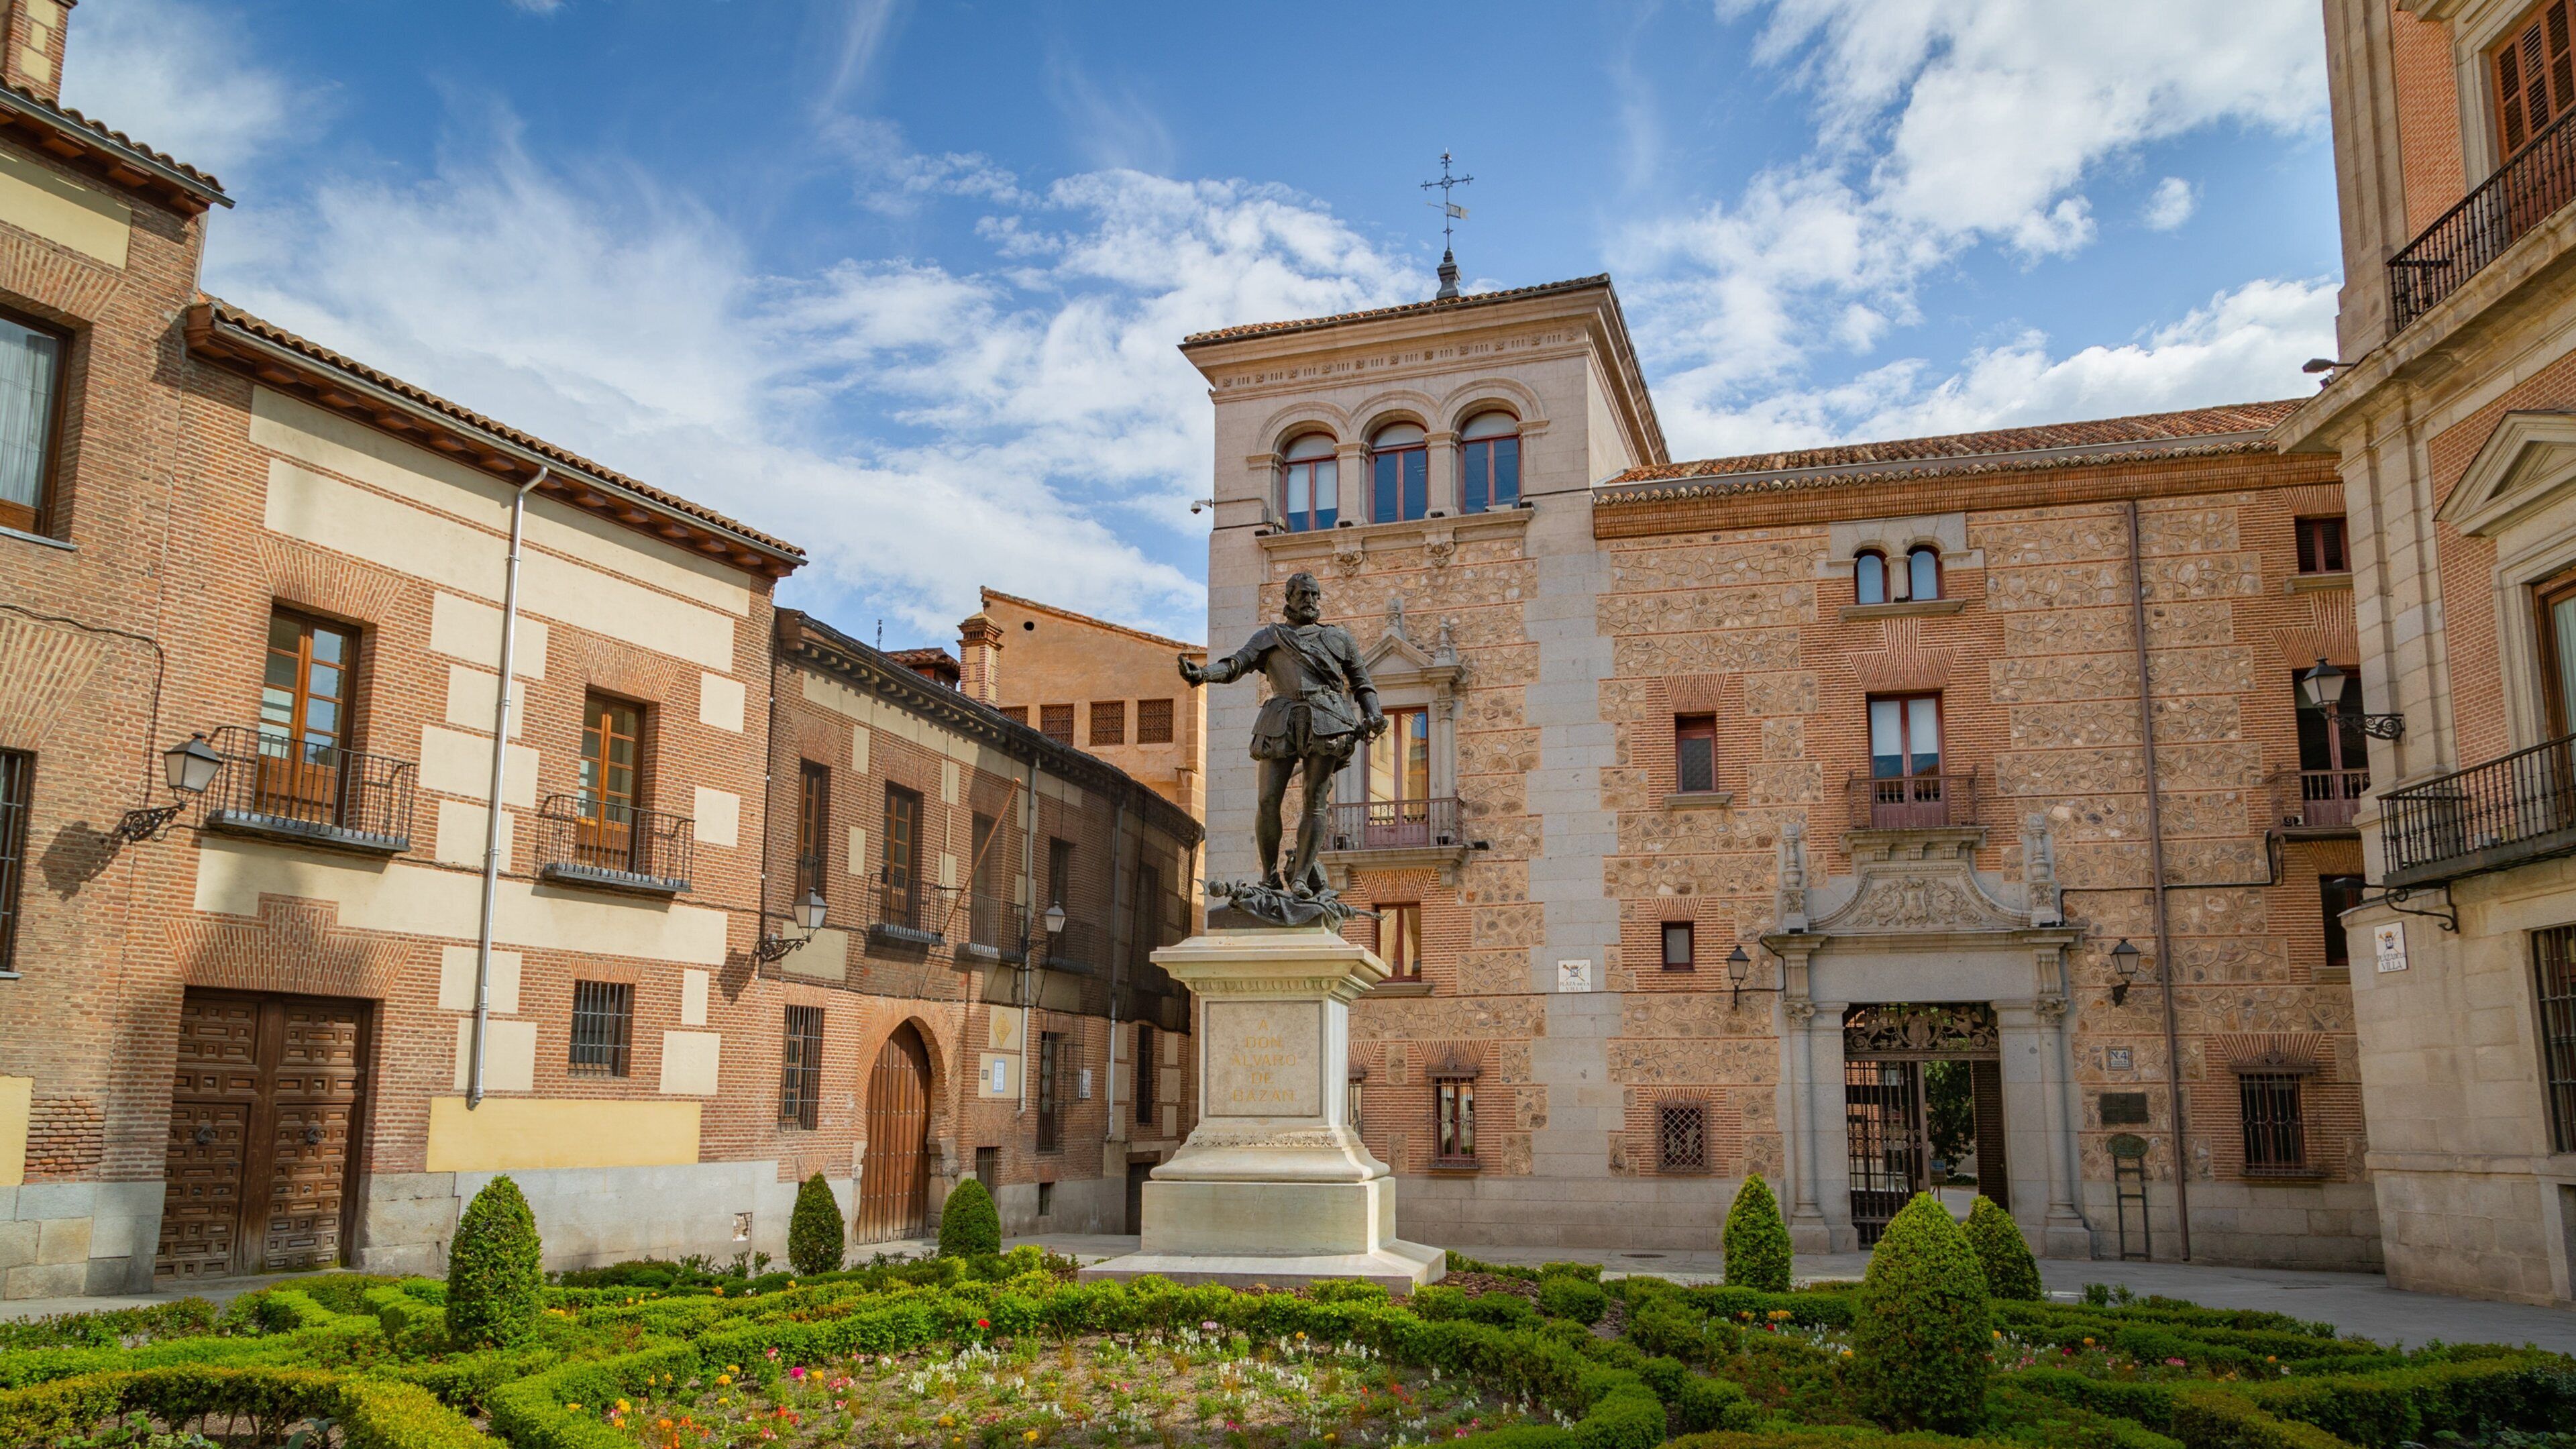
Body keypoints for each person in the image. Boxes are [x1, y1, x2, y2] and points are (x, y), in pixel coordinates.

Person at [1180, 571, 1384, 898]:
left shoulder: (1340, 638)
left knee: (1314, 800)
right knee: (1267, 799)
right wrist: (1204, 674)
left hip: (1327, 719)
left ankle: (1301, 877)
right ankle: (1269, 876)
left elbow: (1362, 683)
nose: (1310, 601)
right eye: (1303, 594)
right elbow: (1236, 665)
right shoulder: (1269, 637)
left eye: (1315, 595)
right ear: (1288, 598)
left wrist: (1374, 711)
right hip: (1280, 720)